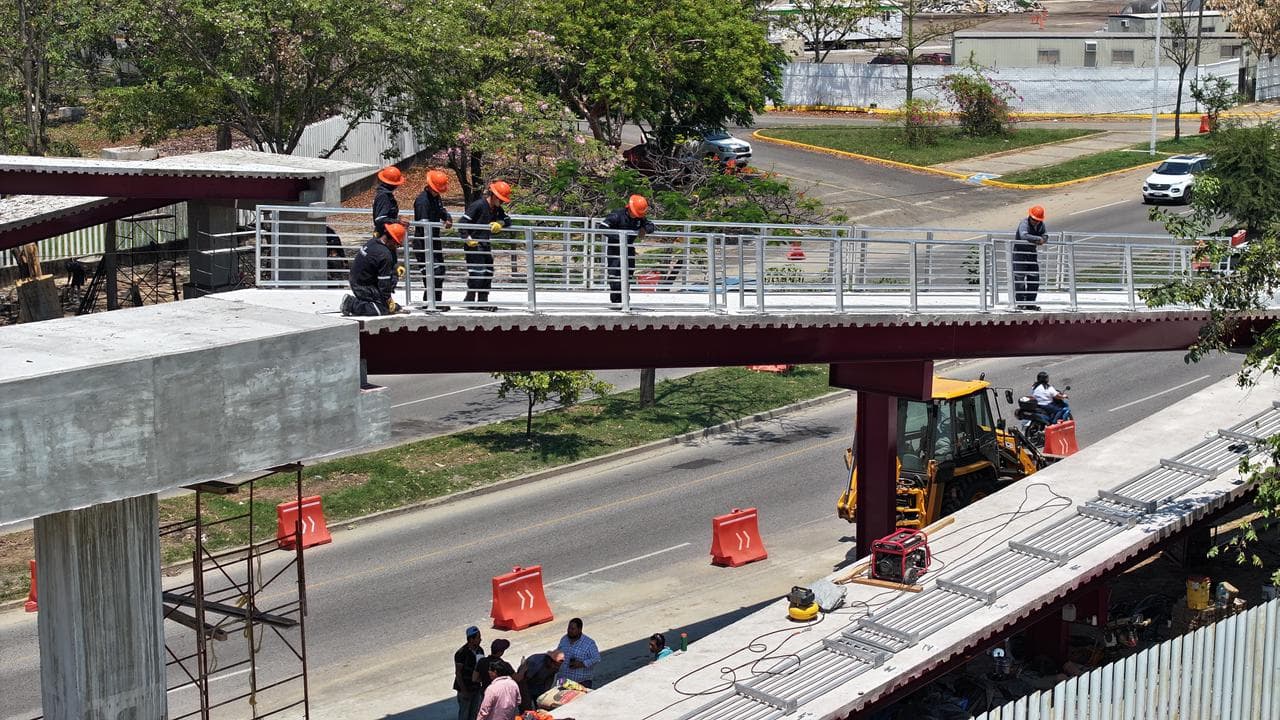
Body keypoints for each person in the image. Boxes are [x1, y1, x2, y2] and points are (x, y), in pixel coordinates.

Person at [459, 180, 512, 310]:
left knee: (488, 272)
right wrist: (467, 238)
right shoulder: (478, 205)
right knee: (478, 272)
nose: (502, 202)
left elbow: (508, 220)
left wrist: (500, 223)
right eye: (500, 199)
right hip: (474, 244)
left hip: (485, 244)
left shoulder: (496, 208)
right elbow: (462, 223)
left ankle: (480, 300)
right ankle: (472, 300)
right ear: (493, 195)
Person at [340, 221, 406, 317]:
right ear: (392, 240)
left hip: (357, 279)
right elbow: (384, 283)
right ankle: (351, 304)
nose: (397, 247)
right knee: (382, 309)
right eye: (397, 244)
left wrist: (395, 267)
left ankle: (376, 301)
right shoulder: (384, 255)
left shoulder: (374, 242)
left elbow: (377, 262)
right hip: (362, 287)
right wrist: (388, 300)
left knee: (392, 275)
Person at [600, 194, 656, 305]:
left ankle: (625, 299)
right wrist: (620, 237)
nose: (636, 216)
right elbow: (602, 227)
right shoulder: (617, 215)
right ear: (630, 208)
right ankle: (616, 300)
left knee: (628, 274)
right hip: (615, 249)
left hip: (629, 249)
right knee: (615, 274)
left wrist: (645, 229)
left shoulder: (640, 218)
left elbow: (652, 226)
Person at [413, 169, 454, 309]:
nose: (438, 192)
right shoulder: (422, 201)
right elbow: (424, 225)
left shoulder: (436, 197)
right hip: (423, 242)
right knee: (432, 273)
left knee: (439, 271)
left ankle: (435, 302)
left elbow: (441, 211)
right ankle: (431, 303)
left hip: (434, 240)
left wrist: (448, 218)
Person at [1013, 205, 1048, 311]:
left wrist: (1043, 239)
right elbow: (1024, 235)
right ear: (1030, 216)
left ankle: (1030, 303)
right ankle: (1020, 303)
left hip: (1032, 254)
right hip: (1020, 254)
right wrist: (1038, 239)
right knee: (1019, 278)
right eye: (1034, 219)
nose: (1035, 222)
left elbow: (1045, 236)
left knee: (1034, 279)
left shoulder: (1041, 225)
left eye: (1037, 220)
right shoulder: (1024, 223)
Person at [555, 617, 600, 689]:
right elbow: (559, 651)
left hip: (580, 682)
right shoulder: (564, 639)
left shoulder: (589, 643)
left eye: (573, 629)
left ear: (580, 630)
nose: (569, 631)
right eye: (569, 628)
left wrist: (582, 664)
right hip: (563, 680)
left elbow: (596, 658)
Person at [453, 626, 486, 720]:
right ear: (471, 639)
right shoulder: (461, 653)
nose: (480, 639)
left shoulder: (480, 650)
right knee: (464, 714)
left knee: (474, 714)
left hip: (476, 688)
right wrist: (464, 691)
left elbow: (481, 667)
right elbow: (458, 674)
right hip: (465, 689)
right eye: (478, 637)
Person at [372, 165, 405, 237]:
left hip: (386, 233)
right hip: (383, 235)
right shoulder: (384, 196)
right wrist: (397, 222)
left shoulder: (384, 194)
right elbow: (380, 219)